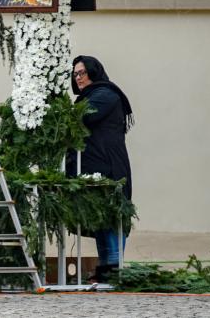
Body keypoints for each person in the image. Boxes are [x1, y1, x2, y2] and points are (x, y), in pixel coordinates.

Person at [66, 55, 134, 282]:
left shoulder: (105, 95)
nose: (78, 78)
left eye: (82, 73)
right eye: (75, 74)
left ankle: (114, 272)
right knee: (101, 220)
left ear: (94, 71)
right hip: (96, 166)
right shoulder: (89, 96)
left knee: (112, 218)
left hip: (110, 167)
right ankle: (105, 271)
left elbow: (84, 117)